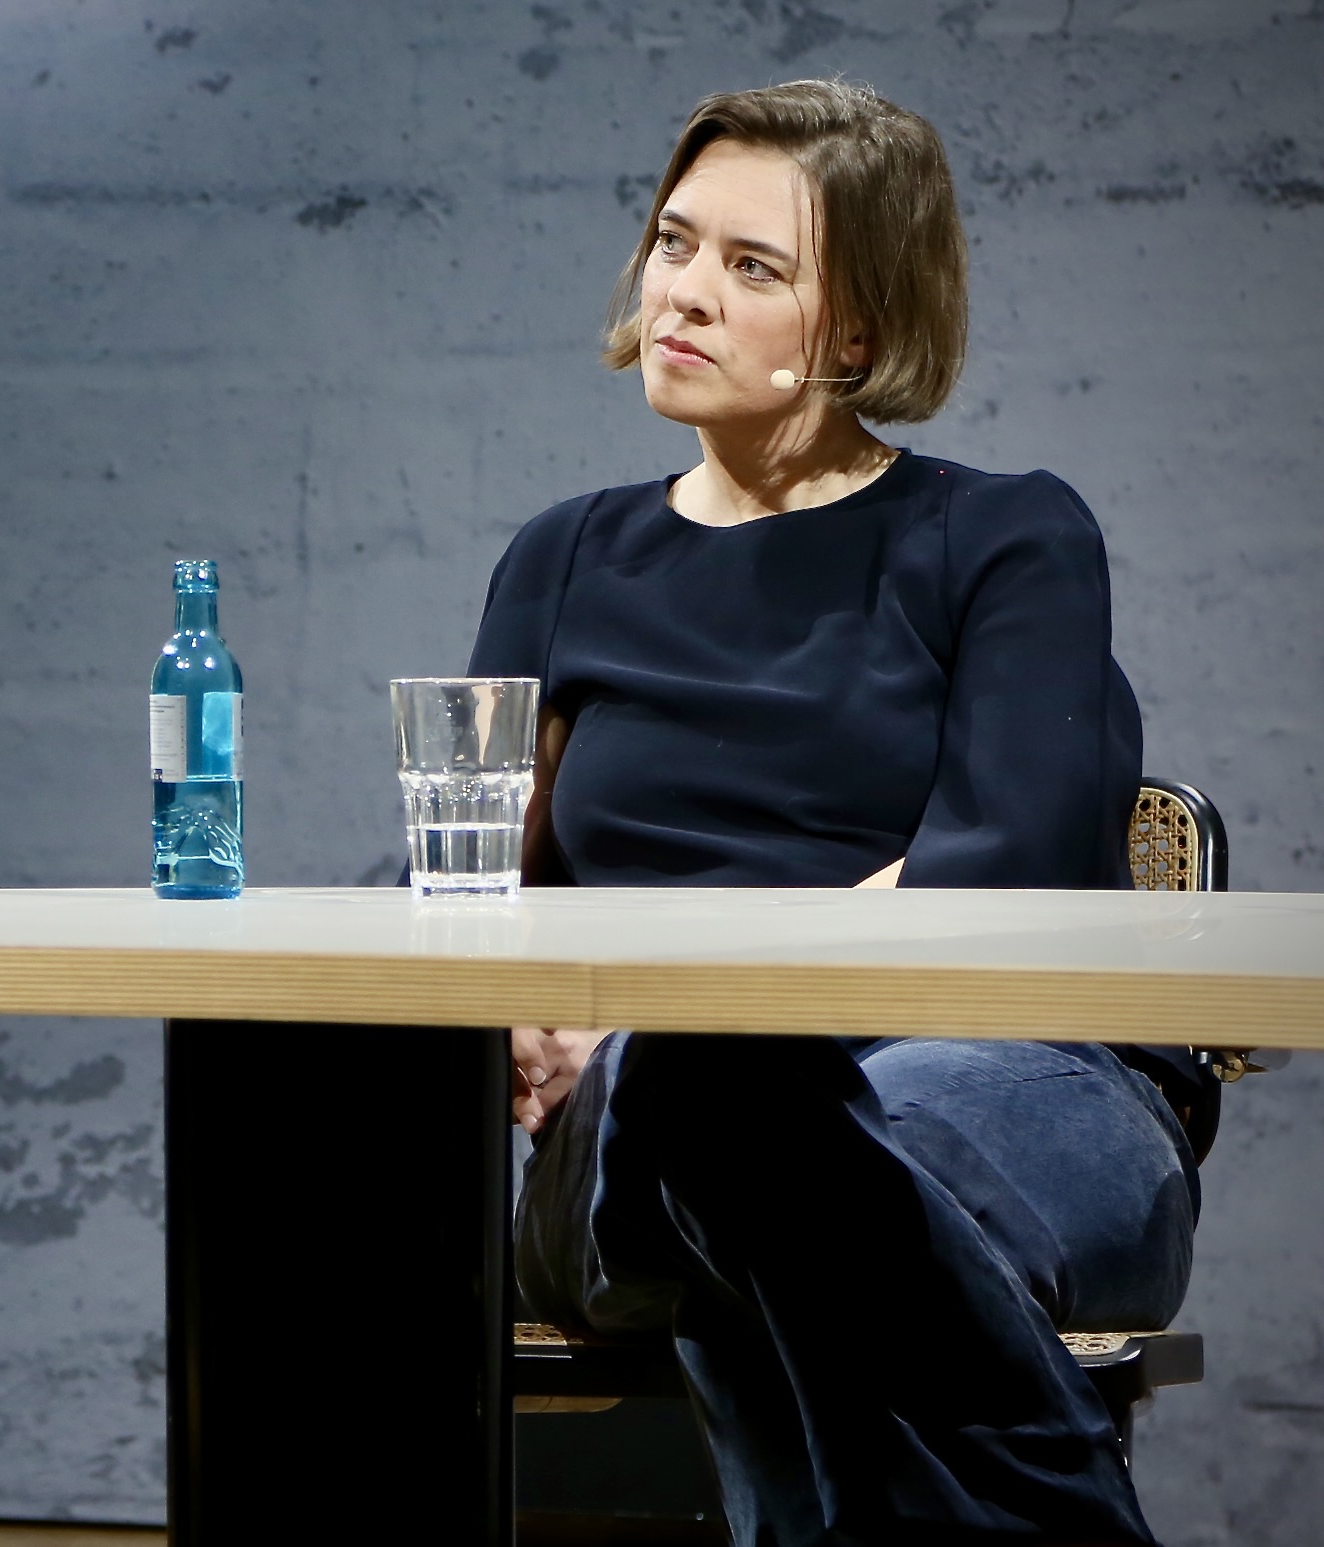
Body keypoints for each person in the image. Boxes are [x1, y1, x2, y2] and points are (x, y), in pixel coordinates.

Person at [472, 81, 1209, 1546]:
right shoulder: (562, 560)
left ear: (860, 330)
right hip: (640, 1125)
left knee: (789, 1181)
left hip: (1007, 1078)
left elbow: (1003, 865)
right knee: (731, 1101)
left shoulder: (1005, 535)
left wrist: (674, 1000)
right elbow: (474, 879)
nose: (683, 291)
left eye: (754, 268)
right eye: (676, 242)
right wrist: (529, 1008)